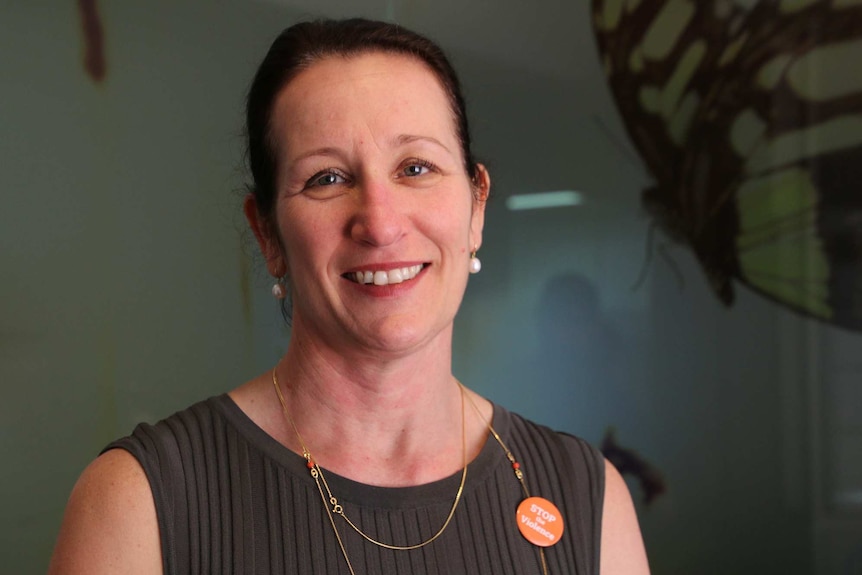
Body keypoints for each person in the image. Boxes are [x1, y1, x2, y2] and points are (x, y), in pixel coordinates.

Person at [48, 18, 649, 575]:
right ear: (268, 236)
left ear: (476, 208)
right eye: (327, 179)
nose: (381, 223)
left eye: (416, 167)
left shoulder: (587, 493)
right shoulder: (141, 501)